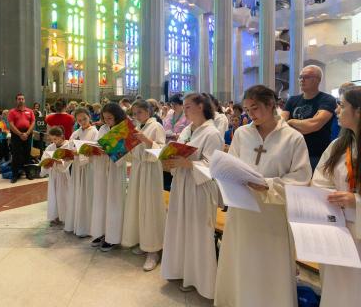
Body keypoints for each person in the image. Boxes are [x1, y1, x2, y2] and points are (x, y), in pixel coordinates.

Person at [214, 85, 312, 307]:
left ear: (271, 104)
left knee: (270, 264)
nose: (251, 114)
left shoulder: (293, 138)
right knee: (242, 259)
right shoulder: (242, 133)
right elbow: (233, 164)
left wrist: (267, 185)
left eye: (256, 108)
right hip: (242, 210)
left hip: (273, 214)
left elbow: (302, 178)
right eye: (248, 109)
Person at [161, 93, 224, 299]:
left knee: (198, 232)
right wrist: (169, 161)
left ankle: (200, 280)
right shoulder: (188, 130)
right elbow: (178, 152)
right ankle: (180, 270)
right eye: (184, 107)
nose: (184, 110)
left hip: (200, 188)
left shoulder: (212, 133)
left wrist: (188, 164)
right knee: (181, 227)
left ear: (201, 106)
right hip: (182, 184)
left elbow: (213, 168)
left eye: (188, 106)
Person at [312, 87, 361, 307]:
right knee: (336, 286)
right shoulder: (338, 146)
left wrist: (355, 201)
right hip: (338, 227)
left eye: (342, 105)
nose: (337, 109)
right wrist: (329, 195)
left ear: (358, 111)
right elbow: (320, 179)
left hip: (357, 227)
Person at [122, 100, 166, 271]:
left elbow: (161, 150)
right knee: (139, 205)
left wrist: (147, 141)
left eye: (139, 112)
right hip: (139, 168)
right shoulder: (138, 127)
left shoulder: (156, 127)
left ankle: (154, 250)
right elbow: (134, 151)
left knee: (150, 207)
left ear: (149, 111)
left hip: (150, 170)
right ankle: (144, 241)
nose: (136, 116)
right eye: (134, 113)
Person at [282, 65, 337, 170]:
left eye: (306, 77)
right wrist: (304, 125)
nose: (302, 80)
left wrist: (291, 121)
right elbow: (281, 124)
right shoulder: (292, 100)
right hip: (292, 153)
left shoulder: (327, 99)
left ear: (318, 80)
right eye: (300, 77)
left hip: (316, 155)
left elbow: (314, 125)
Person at [90, 103, 128, 252]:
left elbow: (125, 153)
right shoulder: (103, 128)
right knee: (101, 199)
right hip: (101, 168)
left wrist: (111, 151)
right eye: (104, 118)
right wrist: (93, 150)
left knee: (114, 200)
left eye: (110, 118)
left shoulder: (123, 129)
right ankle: (101, 232)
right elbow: (97, 144)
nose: (107, 121)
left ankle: (113, 237)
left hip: (115, 169)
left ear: (117, 116)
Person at [65, 107, 98, 237]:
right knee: (77, 193)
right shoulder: (75, 133)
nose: (82, 122)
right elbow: (70, 146)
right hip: (78, 167)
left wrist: (82, 152)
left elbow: (96, 150)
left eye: (84, 119)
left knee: (87, 194)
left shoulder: (95, 132)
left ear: (89, 117)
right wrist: (68, 154)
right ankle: (76, 223)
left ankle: (87, 227)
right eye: (79, 120)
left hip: (89, 167)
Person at [40, 126, 71, 226]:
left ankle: (66, 217)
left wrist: (60, 162)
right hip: (54, 175)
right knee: (54, 196)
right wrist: (46, 163)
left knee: (63, 196)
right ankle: (55, 216)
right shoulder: (50, 147)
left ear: (62, 136)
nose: (54, 141)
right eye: (52, 139)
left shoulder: (68, 146)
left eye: (56, 139)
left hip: (64, 176)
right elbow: (44, 158)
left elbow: (69, 161)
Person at [8, 93, 35, 183]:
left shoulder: (30, 111)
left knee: (27, 154)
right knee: (16, 155)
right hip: (16, 135)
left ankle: (28, 173)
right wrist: (20, 134)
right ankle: (15, 175)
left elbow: (33, 122)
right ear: (16, 100)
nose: (21, 100)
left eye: (22, 99)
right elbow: (11, 125)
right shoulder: (12, 112)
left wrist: (27, 133)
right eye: (19, 99)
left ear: (24, 100)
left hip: (28, 134)